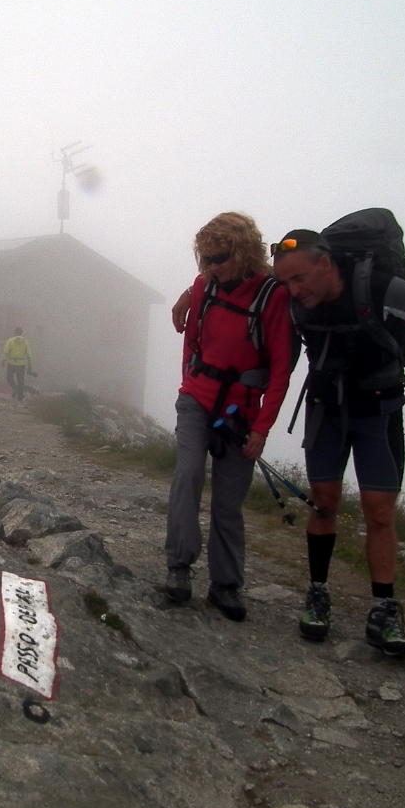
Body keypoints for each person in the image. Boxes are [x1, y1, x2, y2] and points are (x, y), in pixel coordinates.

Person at [271, 229, 405, 658]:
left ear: (325, 264)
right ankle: (317, 594)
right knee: (324, 502)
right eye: (285, 283)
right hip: (327, 405)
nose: (293, 291)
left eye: (299, 279)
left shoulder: (380, 287)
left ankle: (384, 608)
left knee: (379, 511)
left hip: (379, 409)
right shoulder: (294, 301)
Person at [164, 212, 293, 620]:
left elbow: (281, 370)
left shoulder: (272, 297)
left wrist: (261, 429)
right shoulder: (204, 287)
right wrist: (188, 384)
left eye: (219, 258)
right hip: (197, 400)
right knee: (187, 475)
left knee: (228, 500)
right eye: (204, 260)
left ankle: (225, 585)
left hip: (241, 411)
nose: (210, 268)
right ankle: (179, 567)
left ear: (242, 253)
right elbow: (193, 342)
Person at [2, 327, 33, 402]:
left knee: (9, 378)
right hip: (21, 364)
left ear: (15, 332)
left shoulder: (10, 341)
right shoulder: (25, 342)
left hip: (11, 363)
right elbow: (29, 354)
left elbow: (6, 351)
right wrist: (29, 364)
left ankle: (16, 389)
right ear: (21, 333)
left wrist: (3, 360)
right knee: (21, 381)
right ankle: (20, 396)